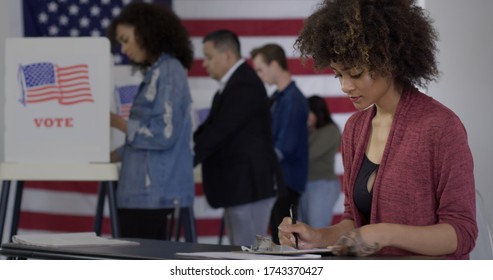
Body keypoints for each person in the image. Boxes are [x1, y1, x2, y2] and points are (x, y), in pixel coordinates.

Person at [278, 0, 477, 259]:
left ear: (389, 61)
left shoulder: (440, 127)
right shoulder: (354, 129)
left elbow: (462, 233)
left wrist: (385, 234)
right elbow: (354, 222)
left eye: (356, 73)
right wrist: (317, 237)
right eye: (339, 75)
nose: (345, 86)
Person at [107, 2, 195, 239]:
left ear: (146, 32)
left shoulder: (168, 71)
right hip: (142, 192)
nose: (123, 49)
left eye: (125, 39)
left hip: (151, 194)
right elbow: (143, 140)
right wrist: (114, 155)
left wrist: (116, 122)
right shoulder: (158, 71)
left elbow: (163, 134)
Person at [193, 30, 279, 246]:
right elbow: (207, 131)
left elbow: (221, 131)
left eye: (209, 57)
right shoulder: (230, 87)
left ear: (228, 56)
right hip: (239, 185)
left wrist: (185, 161)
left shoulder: (244, 84)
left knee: (248, 252)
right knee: (239, 250)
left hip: (250, 186)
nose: (204, 63)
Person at [250, 44, 309, 244]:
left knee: (284, 241)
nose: (259, 75)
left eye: (260, 69)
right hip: (279, 180)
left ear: (274, 65)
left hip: (287, 181)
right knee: (277, 238)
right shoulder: (278, 98)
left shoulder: (293, 99)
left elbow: (285, 146)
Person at [299, 95, 341, 228]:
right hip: (303, 185)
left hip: (322, 184)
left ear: (318, 112)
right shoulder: (307, 131)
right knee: (302, 230)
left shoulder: (330, 130)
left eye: (308, 112)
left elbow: (309, 155)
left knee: (317, 229)